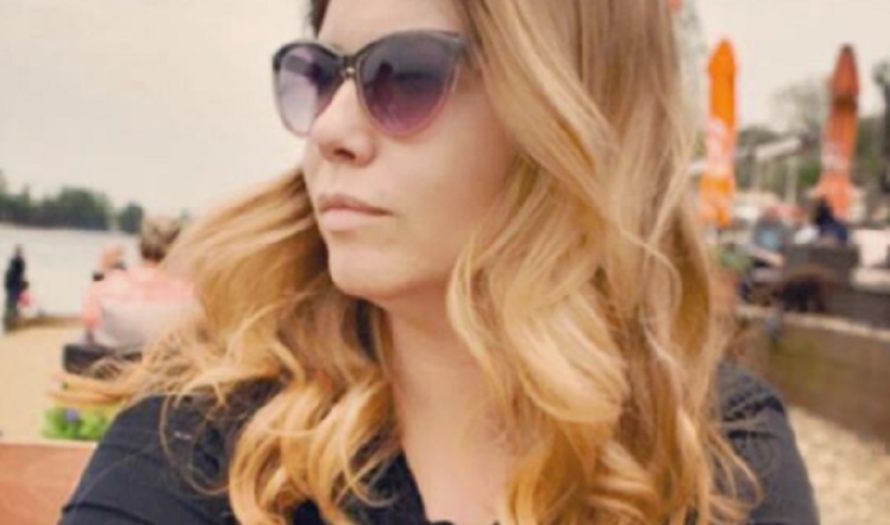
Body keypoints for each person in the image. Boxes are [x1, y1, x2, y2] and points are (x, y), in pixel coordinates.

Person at [58, 2, 817, 525]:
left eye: (404, 75)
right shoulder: (203, 444)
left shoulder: (718, 452)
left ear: (570, 108)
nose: (330, 130)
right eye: (318, 74)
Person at [80, 216, 193, 352]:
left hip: (115, 361)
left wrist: (101, 271)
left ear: (140, 246)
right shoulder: (188, 291)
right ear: (177, 248)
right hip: (170, 361)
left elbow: (89, 319)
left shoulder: (111, 284)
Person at [2, 245, 26, 322]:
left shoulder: (20, 262)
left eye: (20, 252)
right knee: (11, 301)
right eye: (18, 252)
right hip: (12, 284)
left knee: (15, 301)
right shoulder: (14, 261)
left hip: (16, 284)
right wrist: (7, 283)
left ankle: (14, 316)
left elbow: (21, 274)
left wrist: (23, 283)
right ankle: (10, 316)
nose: (19, 253)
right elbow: (10, 274)